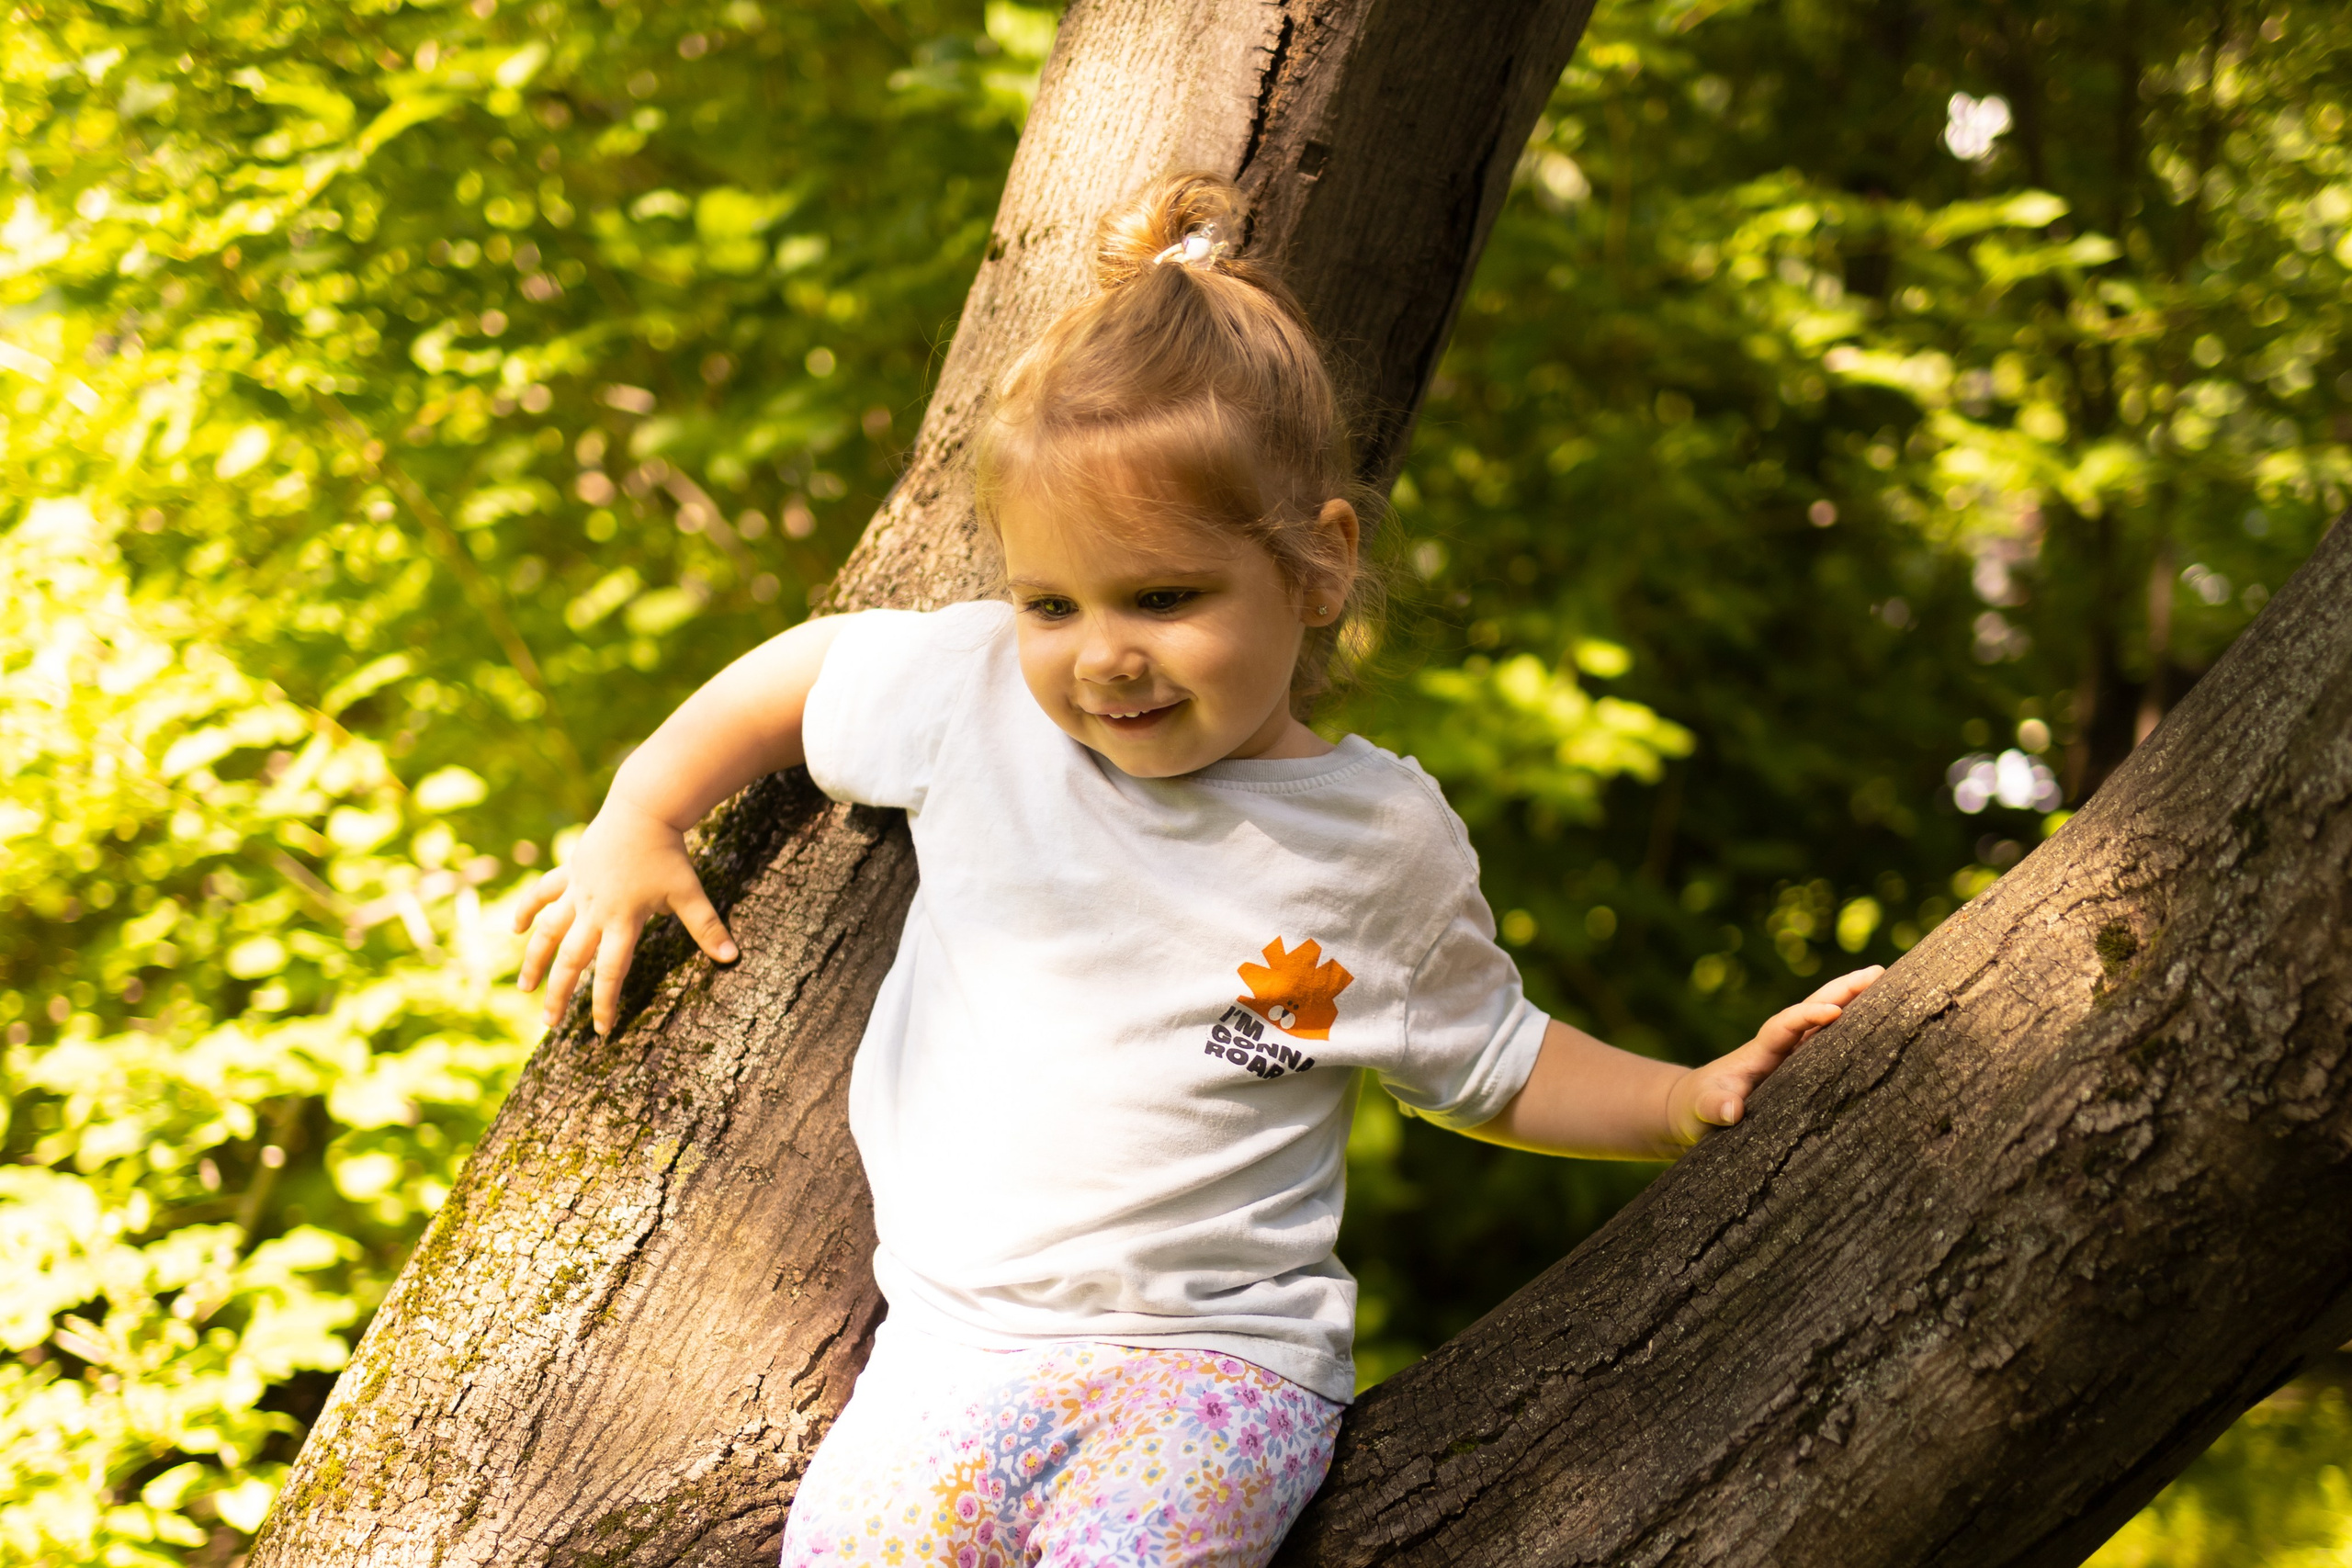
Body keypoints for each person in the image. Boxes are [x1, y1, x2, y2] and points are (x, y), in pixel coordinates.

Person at [514, 171, 1881, 1568]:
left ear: (1320, 569)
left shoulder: (1371, 842)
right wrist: (642, 807)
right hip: (945, 1353)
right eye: (1055, 603)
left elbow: (1493, 1058)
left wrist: (1683, 1099)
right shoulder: (975, 697)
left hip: (1213, 1367)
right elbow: (806, 677)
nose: (1101, 653)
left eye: (1164, 598)